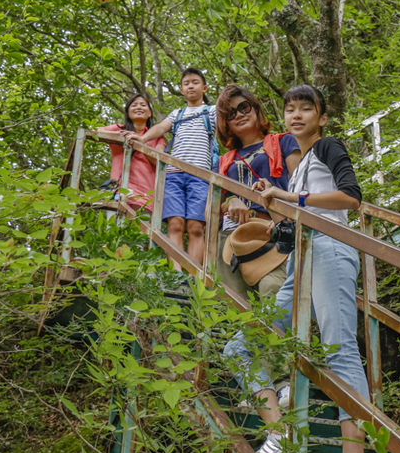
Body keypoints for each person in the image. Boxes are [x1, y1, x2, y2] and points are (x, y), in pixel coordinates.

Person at [223, 85, 370, 453]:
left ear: (321, 118)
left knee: (339, 349)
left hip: (330, 250)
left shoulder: (327, 147)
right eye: (291, 109)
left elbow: (351, 197)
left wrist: (292, 198)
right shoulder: (302, 164)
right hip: (300, 258)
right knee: (238, 348)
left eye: (307, 109)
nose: (298, 115)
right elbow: (303, 208)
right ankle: (278, 431)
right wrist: (276, 200)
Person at [213, 84, 301, 300]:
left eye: (244, 107)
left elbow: (300, 187)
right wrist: (232, 200)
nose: (239, 115)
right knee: (235, 305)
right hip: (231, 235)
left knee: (273, 291)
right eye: (231, 113)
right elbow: (214, 207)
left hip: (272, 229)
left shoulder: (284, 141)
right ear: (225, 122)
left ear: (255, 108)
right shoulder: (222, 162)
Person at [140, 68, 218, 271]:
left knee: (196, 227)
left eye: (195, 82)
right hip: (174, 175)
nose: (190, 86)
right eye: (186, 83)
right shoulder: (177, 114)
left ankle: (191, 276)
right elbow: (160, 128)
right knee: (175, 224)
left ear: (204, 87)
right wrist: (142, 138)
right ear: (182, 90)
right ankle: (175, 274)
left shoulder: (213, 111)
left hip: (200, 175)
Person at [97, 93, 167, 216]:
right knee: (113, 232)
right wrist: (120, 134)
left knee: (138, 233)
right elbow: (94, 131)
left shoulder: (157, 137)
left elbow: (159, 160)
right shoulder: (118, 129)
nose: (139, 107)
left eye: (143, 105)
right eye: (134, 105)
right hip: (117, 191)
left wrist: (140, 142)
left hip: (144, 194)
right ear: (128, 112)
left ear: (150, 113)